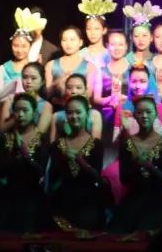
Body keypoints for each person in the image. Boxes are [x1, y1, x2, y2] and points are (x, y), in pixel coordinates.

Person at [109, 95, 162, 233]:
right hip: (133, 198)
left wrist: (149, 166)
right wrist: (138, 165)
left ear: (156, 114)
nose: (144, 116)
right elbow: (124, 179)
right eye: (139, 112)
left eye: (148, 112)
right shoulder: (126, 144)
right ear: (134, 115)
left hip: (156, 199)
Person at [0, 93, 52, 232]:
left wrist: (26, 156)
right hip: (8, 194)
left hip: (33, 194)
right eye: (17, 110)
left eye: (25, 110)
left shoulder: (42, 138)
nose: (20, 114)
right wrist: (14, 154)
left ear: (34, 113)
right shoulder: (5, 137)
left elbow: (41, 171)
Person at [49, 94, 111, 230]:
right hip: (63, 198)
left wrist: (79, 160)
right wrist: (63, 158)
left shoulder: (96, 144)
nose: (74, 116)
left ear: (87, 113)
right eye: (70, 113)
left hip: (88, 199)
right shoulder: (58, 144)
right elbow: (53, 175)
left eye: (78, 112)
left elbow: (96, 176)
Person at [45, 25, 99, 103]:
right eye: (64, 40)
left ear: (80, 42)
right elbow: (47, 94)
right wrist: (58, 82)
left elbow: (88, 94)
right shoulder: (51, 65)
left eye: (72, 39)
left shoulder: (89, 67)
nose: (68, 43)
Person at [0, 61, 53, 135]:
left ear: (42, 81)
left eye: (33, 78)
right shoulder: (10, 100)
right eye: (25, 77)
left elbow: (39, 134)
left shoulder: (46, 106)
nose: (28, 81)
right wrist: (17, 114)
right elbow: (2, 129)